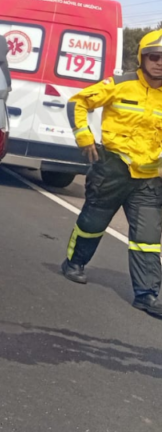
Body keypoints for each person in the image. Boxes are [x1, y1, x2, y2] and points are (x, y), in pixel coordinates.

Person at [60, 29, 162, 319]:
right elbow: (78, 102)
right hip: (113, 167)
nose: (160, 63)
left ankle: (147, 294)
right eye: (154, 57)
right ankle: (74, 263)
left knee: (147, 238)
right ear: (142, 58)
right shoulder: (119, 85)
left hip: (149, 177)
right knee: (93, 222)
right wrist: (84, 137)